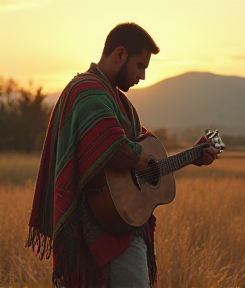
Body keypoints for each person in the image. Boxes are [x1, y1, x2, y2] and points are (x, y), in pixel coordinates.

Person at [26, 22, 217, 288]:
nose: (143, 76)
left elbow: (139, 154)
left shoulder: (115, 100)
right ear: (119, 55)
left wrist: (191, 156)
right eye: (140, 66)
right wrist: (143, 159)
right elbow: (115, 148)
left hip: (117, 226)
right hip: (105, 234)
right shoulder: (88, 92)